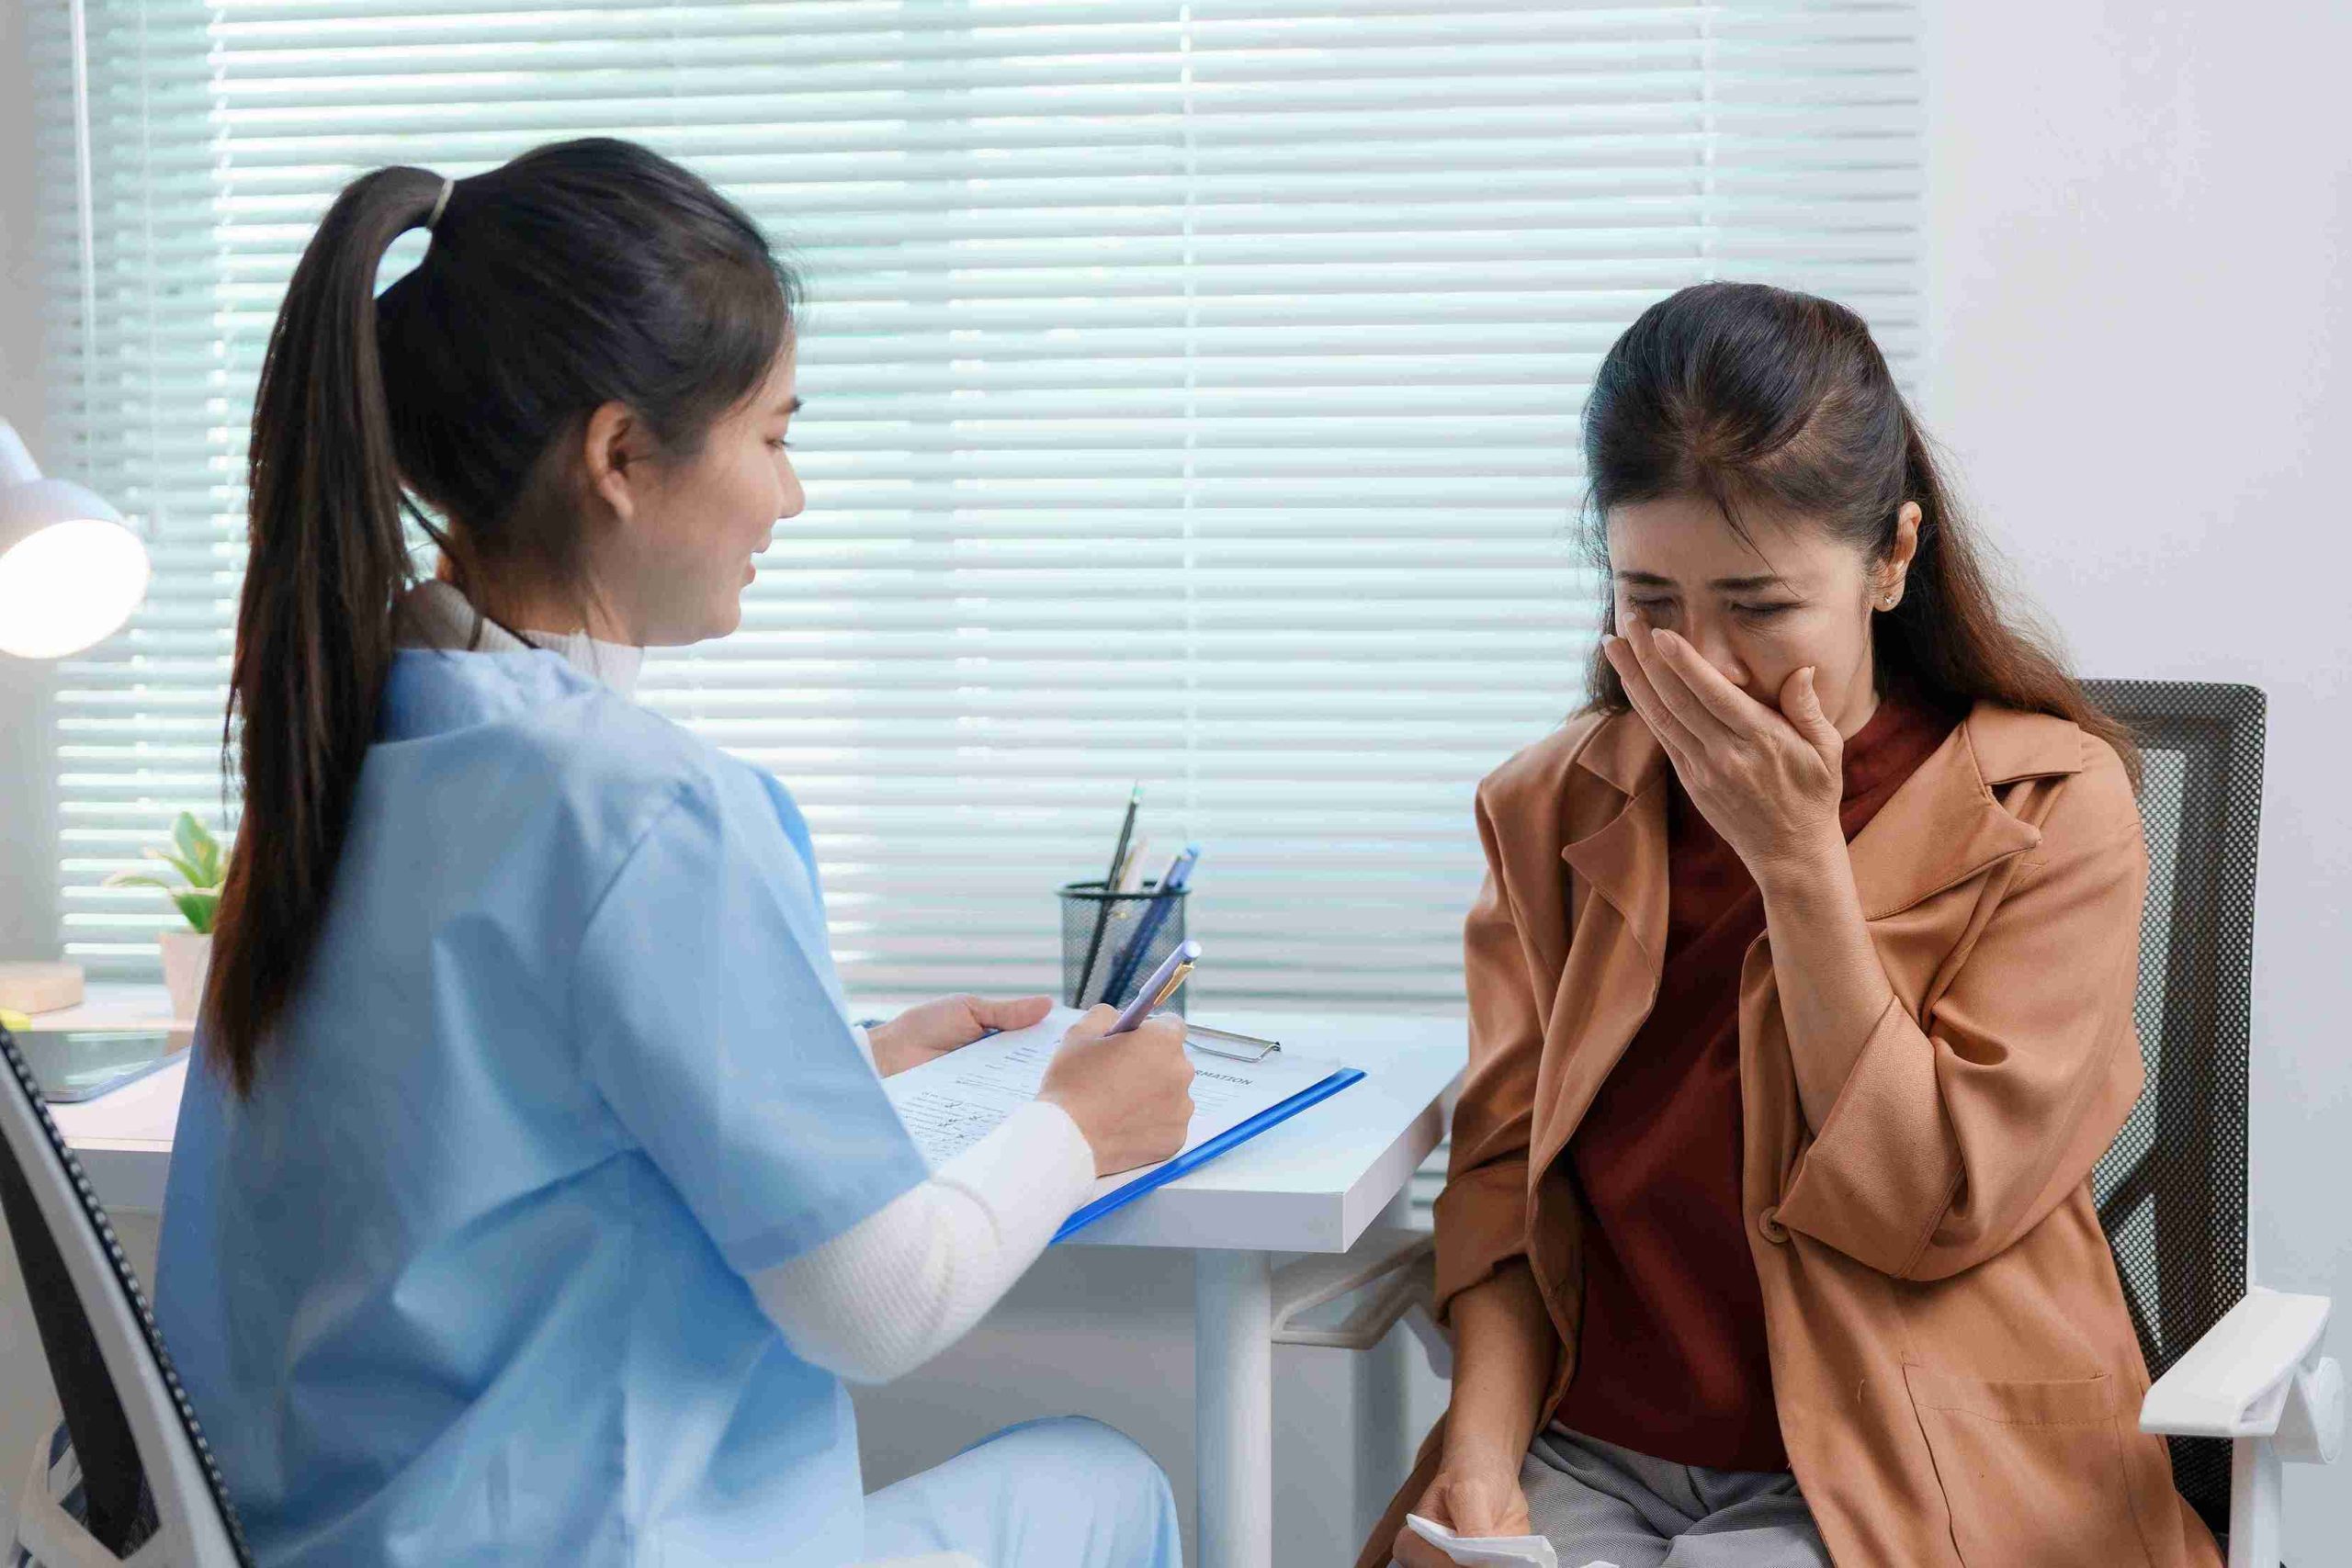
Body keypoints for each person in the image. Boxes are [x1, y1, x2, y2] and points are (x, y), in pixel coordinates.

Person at [151, 139, 1194, 1568]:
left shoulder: (337, 762)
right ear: (622, 457)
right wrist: (1086, 1124)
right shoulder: (643, 808)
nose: (793, 497)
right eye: (774, 436)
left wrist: (847, 1071)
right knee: (1102, 1483)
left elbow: (479, 1141)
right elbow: (881, 1305)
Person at [1372, 283, 2223, 1568]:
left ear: (1890, 561)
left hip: (1898, 1465)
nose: (1701, 666)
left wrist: (1798, 866)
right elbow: (1499, 1198)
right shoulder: (1550, 811)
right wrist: (1481, 1476)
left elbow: (1926, 1203)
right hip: (1589, 1455)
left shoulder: (2054, 808)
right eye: (1651, 602)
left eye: (1761, 609)